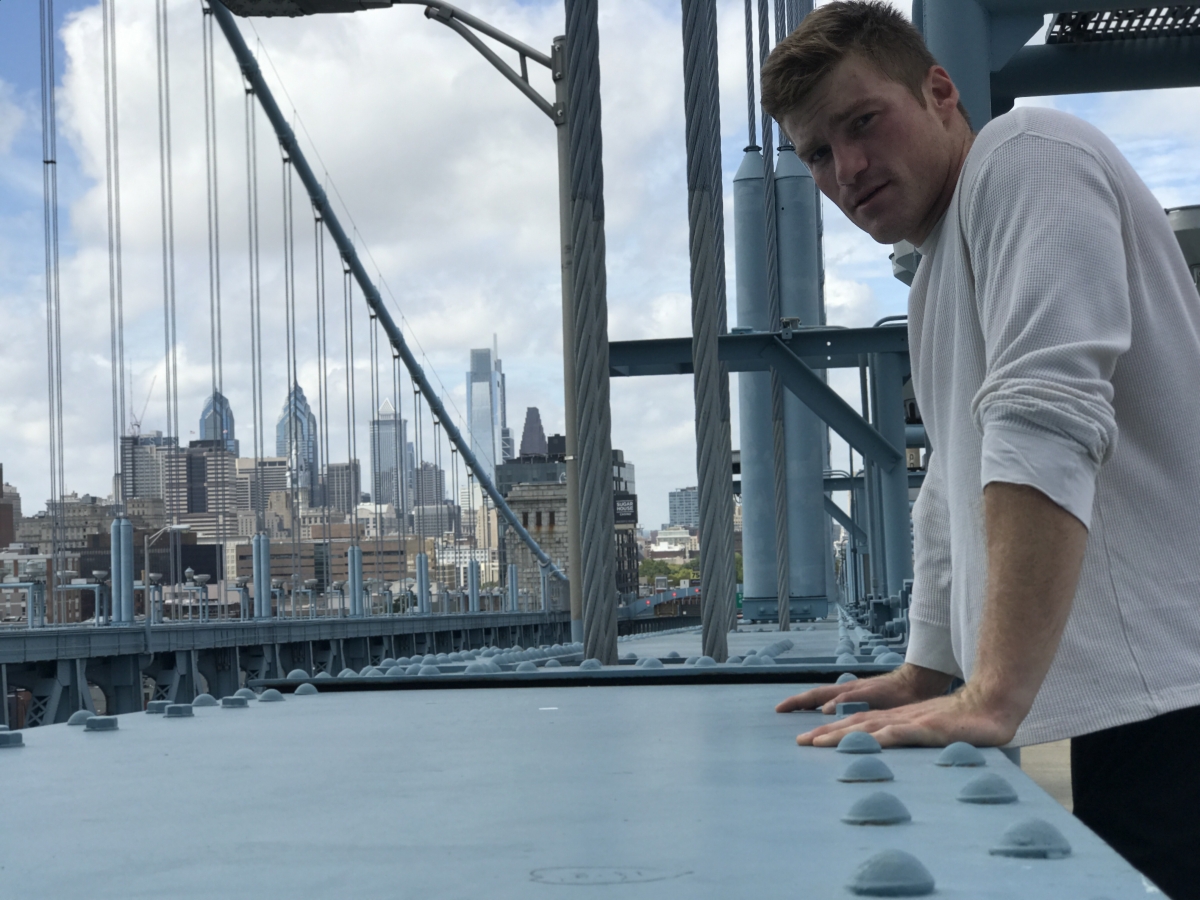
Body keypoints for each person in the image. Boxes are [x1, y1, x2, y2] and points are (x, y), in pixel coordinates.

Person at [758, 3, 1200, 897]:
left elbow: (1048, 412)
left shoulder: (1029, 156)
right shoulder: (933, 280)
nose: (847, 169)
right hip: (1116, 707)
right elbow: (947, 492)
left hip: (1170, 695)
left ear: (940, 91)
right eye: (818, 154)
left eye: (862, 122)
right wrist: (930, 669)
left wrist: (991, 692)